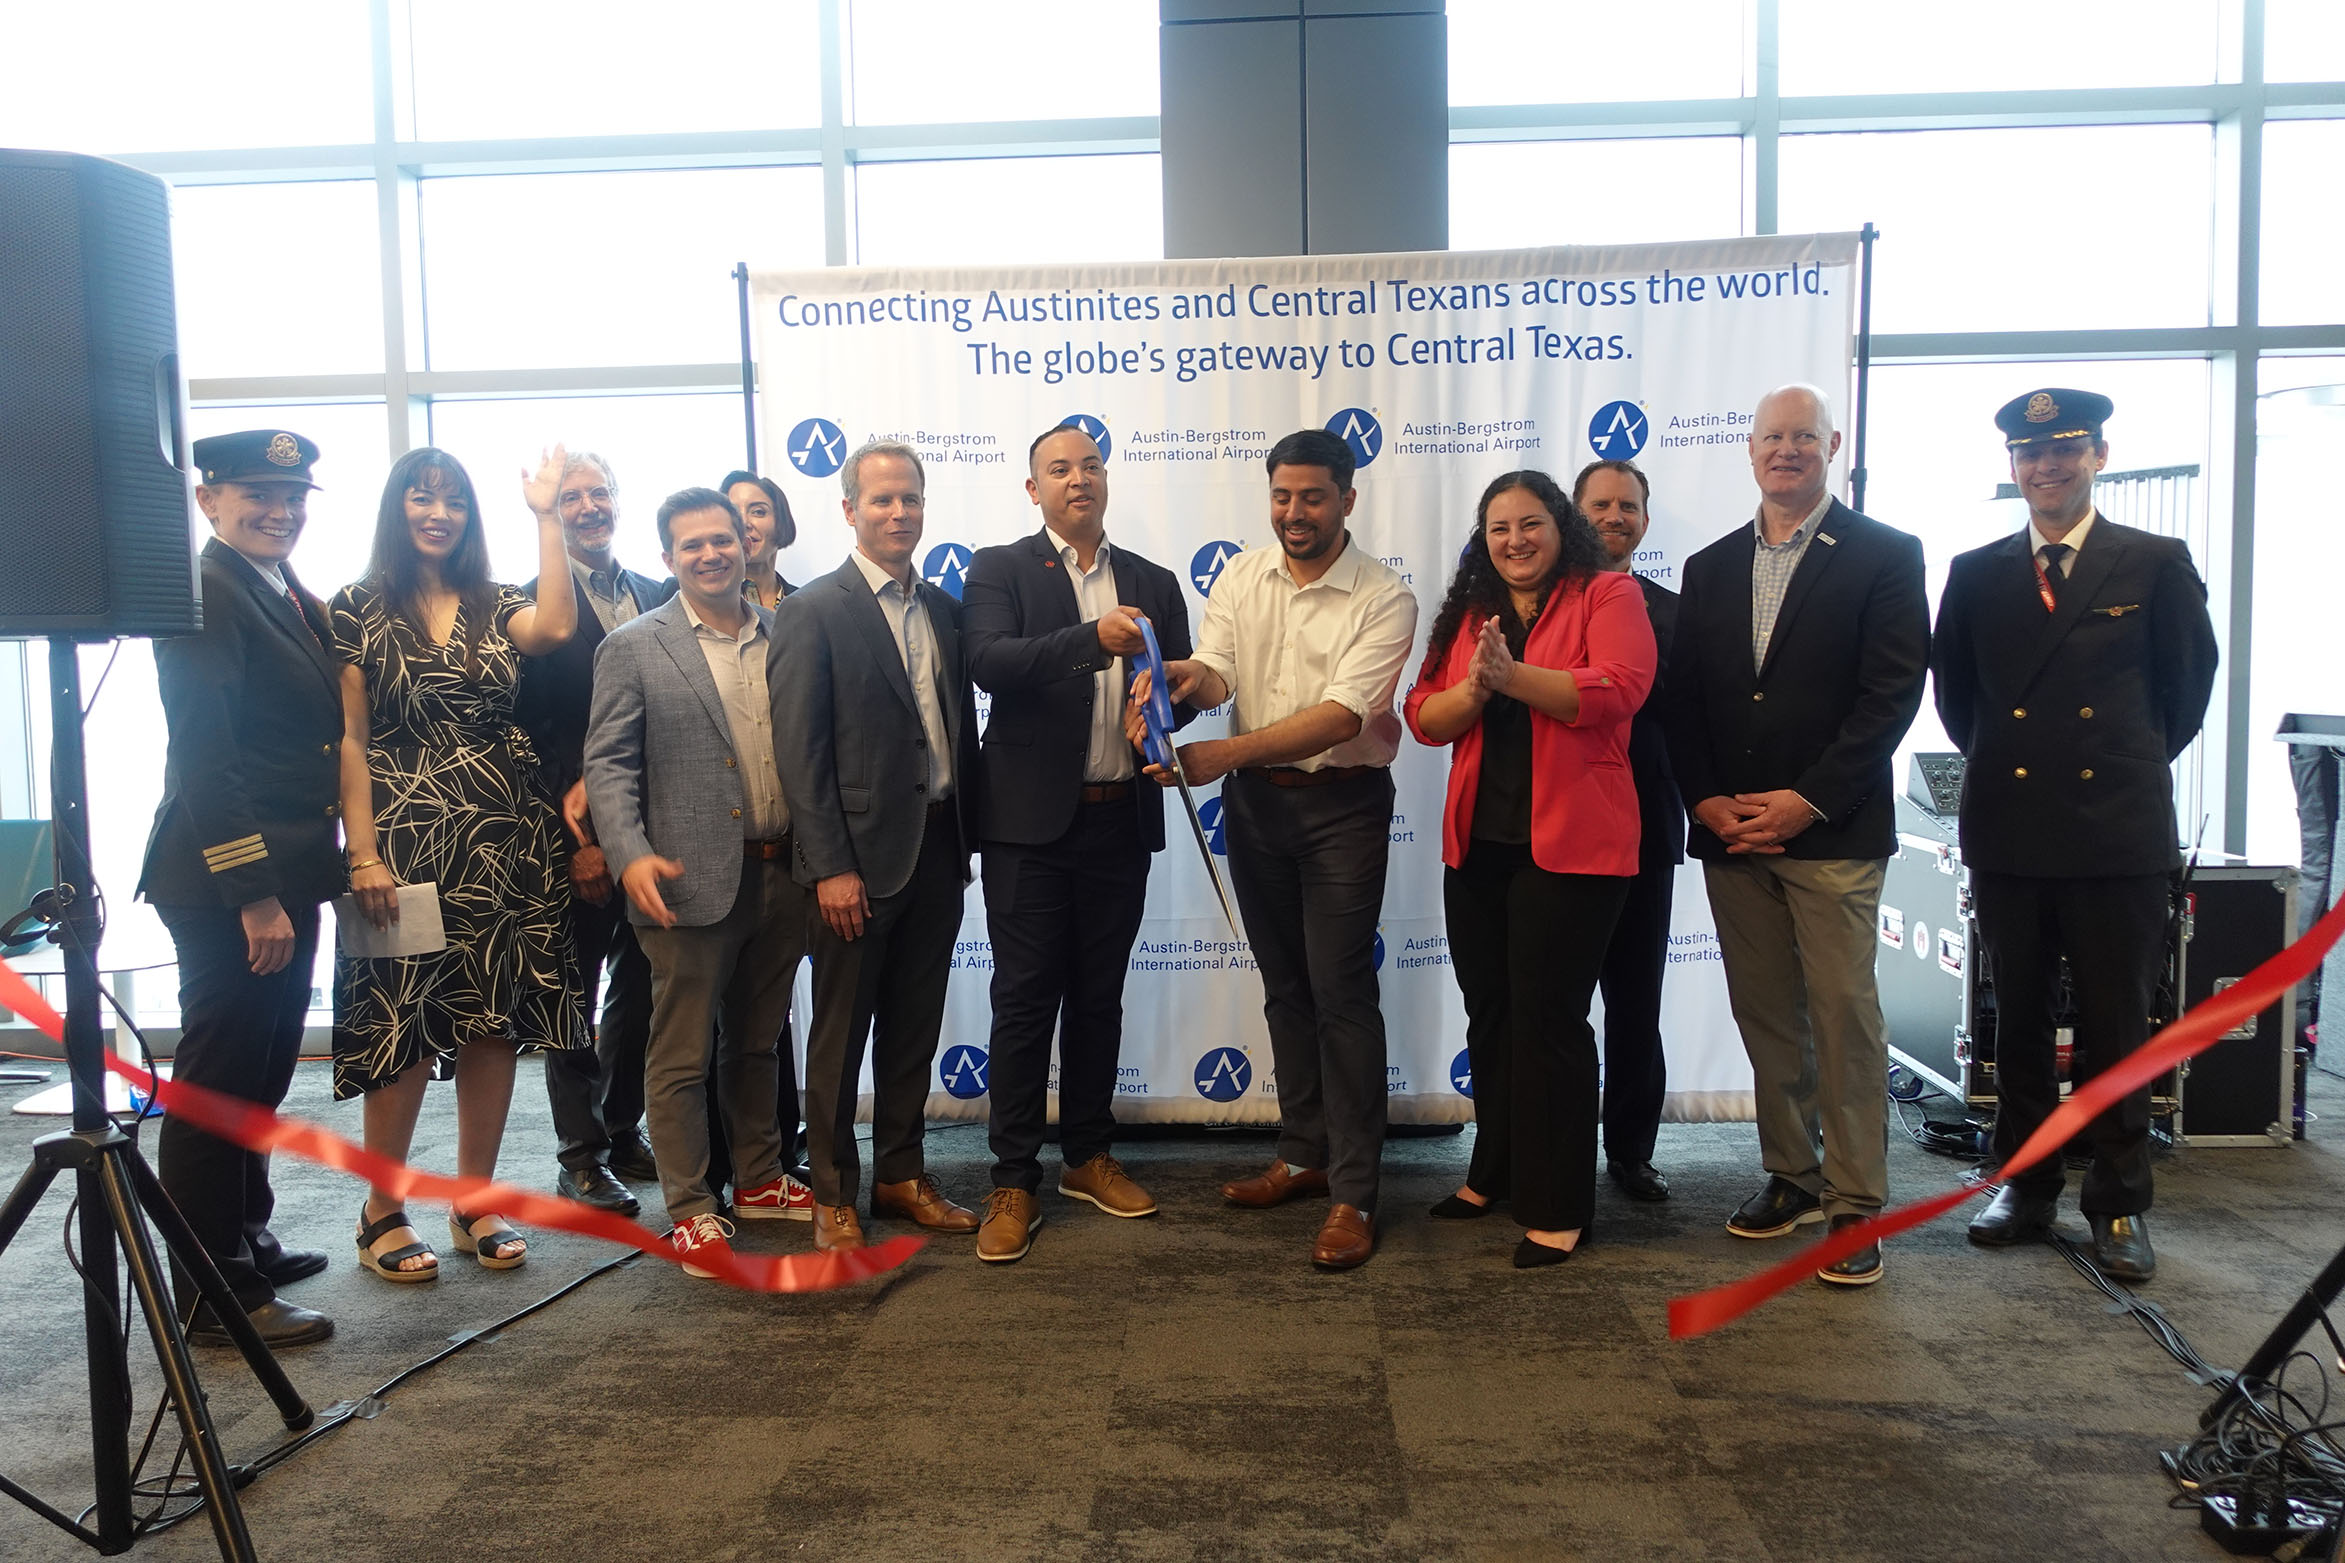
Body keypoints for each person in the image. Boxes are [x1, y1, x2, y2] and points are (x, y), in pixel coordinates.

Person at [1936, 388, 2218, 1282]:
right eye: (2029, 453)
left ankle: (2120, 1202)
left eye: (2063, 449)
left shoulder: (2152, 561)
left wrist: (2119, 760)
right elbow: (1959, 704)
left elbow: (2184, 692)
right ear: (2012, 467)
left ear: (2098, 454)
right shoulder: (1976, 571)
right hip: (2011, 828)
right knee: (2014, 1021)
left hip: (2116, 833)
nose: (2045, 467)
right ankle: (2023, 1184)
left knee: (2114, 1023)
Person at [1665, 383, 1928, 1288]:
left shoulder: (1887, 555)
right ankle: (1792, 1174)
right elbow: (1683, 700)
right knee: (1767, 1015)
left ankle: (1854, 1203)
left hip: (1833, 832)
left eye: (1803, 437)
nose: (1787, 450)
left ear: (1833, 445)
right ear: (1748, 450)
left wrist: (1804, 800)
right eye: (1772, 437)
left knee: (1845, 1020)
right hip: (1732, 834)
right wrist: (1703, 798)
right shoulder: (1708, 566)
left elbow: (1888, 699)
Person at [1143, 428, 1418, 1270]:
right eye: (1280, 495)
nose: (1293, 513)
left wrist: (1217, 754)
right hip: (1259, 808)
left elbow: (1341, 716)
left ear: (1346, 499)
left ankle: (1355, 1192)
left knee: (1341, 994)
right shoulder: (1240, 573)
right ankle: (1303, 1154)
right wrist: (1187, 681)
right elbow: (1220, 670)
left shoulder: (1384, 596)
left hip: (1342, 806)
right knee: (1286, 988)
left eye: (1311, 496)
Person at [333, 445, 588, 1282]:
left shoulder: (496, 599)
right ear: (396, 507)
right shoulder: (356, 607)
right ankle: (381, 1210)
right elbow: (352, 741)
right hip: (401, 841)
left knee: (493, 1020)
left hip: (503, 836)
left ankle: (474, 1196)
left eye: (452, 500)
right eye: (420, 497)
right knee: (399, 1024)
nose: (437, 512)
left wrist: (546, 516)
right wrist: (360, 851)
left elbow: (555, 628)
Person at [960, 422, 1198, 1263]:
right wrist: (1090, 640)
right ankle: (1012, 1177)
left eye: (1091, 465)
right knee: (1025, 1000)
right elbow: (989, 662)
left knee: (1100, 996)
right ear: (1034, 490)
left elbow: (1185, 688)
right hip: (1027, 827)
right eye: (1058, 469)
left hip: (1117, 817)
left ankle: (1088, 1156)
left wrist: (1172, 705)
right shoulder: (997, 568)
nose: (1078, 479)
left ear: (1106, 480)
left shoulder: (1154, 581)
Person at [1403, 470, 1654, 1268]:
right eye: (1499, 526)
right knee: (1493, 1017)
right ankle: (1494, 1172)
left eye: (1530, 523)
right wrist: (1476, 690)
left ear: (1560, 527)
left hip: (1574, 850)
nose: (1514, 539)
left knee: (1549, 1025)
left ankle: (1557, 1205)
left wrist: (1513, 678)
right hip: (1479, 847)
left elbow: (1617, 691)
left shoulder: (1608, 596)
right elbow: (1422, 715)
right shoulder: (1471, 611)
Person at [137, 429, 342, 1348]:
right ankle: (209, 1288)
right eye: (258, 493)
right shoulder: (207, 590)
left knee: (261, 1066)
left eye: (294, 495)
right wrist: (254, 893)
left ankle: (246, 1235)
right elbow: (207, 754)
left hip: (284, 870)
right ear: (207, 499)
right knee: (216, 1080)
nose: (280, 510)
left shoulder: (275, 588)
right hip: (227, 881)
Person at [583, 487, 814, 1275]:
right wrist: (628, 854)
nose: (713, 554)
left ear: (747, 544)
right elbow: (607, 765)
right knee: (679, 1051)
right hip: (683, 881)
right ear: (668, 559)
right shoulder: (632, 646)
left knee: (758, 1038)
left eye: (724, 539)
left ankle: (757, 1177)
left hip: (782, 872)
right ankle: (689, 1204)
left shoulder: (788, 634)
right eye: (693, 546)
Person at [769, 440, 983, 1253]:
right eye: (883, 500)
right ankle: (832, 1192)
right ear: (850, 508)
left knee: (912, 1027)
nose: (900, 513)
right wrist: (829, 866)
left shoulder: (942, 608)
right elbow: (801, 753)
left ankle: (900, 1173)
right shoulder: (814, 609)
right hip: (852, 865)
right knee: (838, 1034)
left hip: (936, 847)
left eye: (912, 499)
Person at [513, 450, 674, 1215]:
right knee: (571, 995)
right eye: (570, 497)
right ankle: (578, 1157)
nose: (587, 506)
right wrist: (574, 837)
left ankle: (619, 1127)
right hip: (571, 832)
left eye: (598, 492)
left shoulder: (656, 591)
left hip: (651, 831)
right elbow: (529, 732)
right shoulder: (528, 603)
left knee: (639, 993)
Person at [1576, 458, 1682, 1202]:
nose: (1615, 516)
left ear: (1644, 518)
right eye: (1600, 504)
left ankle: (1632, 1150)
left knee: (1635, 998)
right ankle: (1551, 1146)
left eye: (1629, 505)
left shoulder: (1676, 610)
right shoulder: (1540, 608)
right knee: (1553, 1006)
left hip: (1645, 827)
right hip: (1555, 829)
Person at [724, 470, 797, 611]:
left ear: (781, 521)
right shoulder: (693, 593)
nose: (744, 522)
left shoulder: (806, 603)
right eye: (734, 513)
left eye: (758, 512)